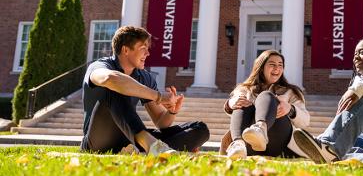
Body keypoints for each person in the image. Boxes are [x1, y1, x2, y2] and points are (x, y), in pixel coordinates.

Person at [80, 26, 209, 155]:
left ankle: (143, 150)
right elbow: (109, 78)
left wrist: (171, 112)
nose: (147, 53)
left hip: (129, 140)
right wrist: (158, 96)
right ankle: (151, 146)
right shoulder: (99, 66)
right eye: (143, 49)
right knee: (116, 85)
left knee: (200, 129)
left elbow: (160, 122)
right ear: (125, 50)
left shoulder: (144, 77)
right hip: (97, 141)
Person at [221, 49, 310, 159]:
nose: (277, 68)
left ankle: (260, 129)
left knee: (266, 96)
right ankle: (238, 145)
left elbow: (305, 121)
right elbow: (237, 111)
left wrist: (290, 109)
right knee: (242, 103)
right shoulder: (245, 89)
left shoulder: (291, 91)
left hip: (278, 140)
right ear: (261, 67)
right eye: (272, 64)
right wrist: (231, 103)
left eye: (280, 65)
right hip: (249, 143)